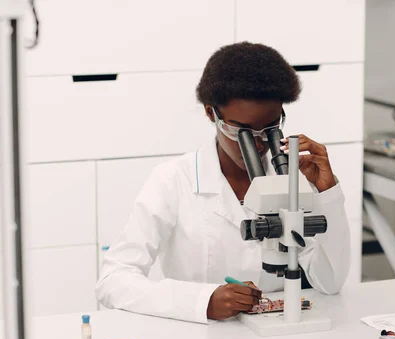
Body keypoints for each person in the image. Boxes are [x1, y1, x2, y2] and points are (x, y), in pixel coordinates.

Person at [95, 42, 351, 323]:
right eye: (241, 131)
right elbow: (113, 281)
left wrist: (327, 193)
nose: (258, 144)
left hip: (277, 331)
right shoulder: (172, 180)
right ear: (210, 113)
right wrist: (201, 301)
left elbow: (330, 282)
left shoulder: (293, 177)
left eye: (269, 129)